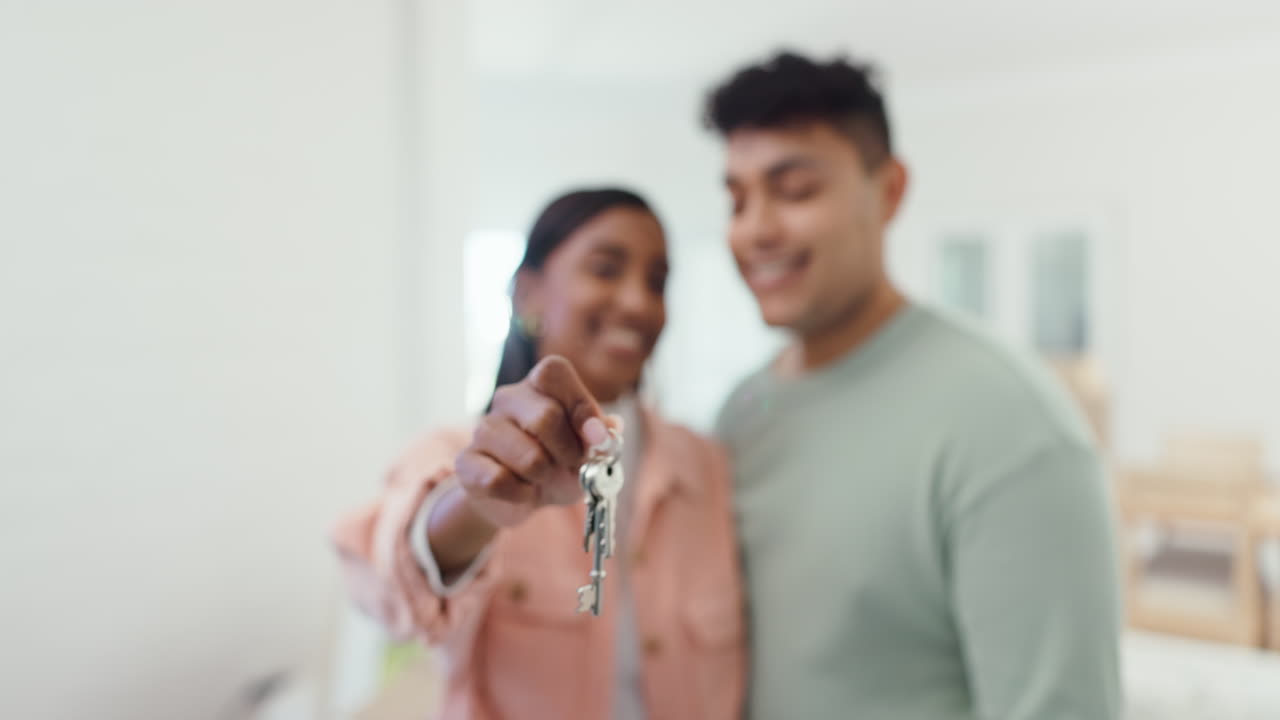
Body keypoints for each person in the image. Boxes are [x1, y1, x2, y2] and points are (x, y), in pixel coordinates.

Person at [704, 52, 1123, 719]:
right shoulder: (740, 414)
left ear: (890, 190)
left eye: (795, 190)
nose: (755, 229)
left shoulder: (1007, 420)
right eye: (737, 198)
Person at [331, 188, 744, 720]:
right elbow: (389, 589)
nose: (639, 302)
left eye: (657, 281)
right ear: (527, 294)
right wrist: (478, 504)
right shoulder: (456, 456)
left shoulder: (708, 467)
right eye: (605, 269)